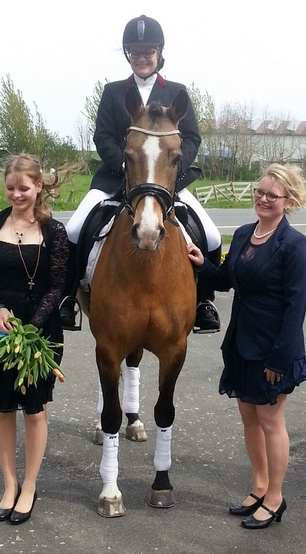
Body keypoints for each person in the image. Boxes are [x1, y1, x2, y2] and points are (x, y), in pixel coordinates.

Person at [60, 14, 222, 334]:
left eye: (148, 51)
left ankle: (204, 300)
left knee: (212, 235)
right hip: (117, 176)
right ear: (128, 54)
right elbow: (103, 136)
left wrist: (172, 170)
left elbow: (191, 137)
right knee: (73, 229)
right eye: (135, 52)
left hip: (165, 180)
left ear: (159, 53)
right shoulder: (113, 92)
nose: (142, 57)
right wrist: (124, 165)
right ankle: (68, 298)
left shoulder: (176, 91)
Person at [187, 163, 306, 530]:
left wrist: (279, 358)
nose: (263, 199)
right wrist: (202, 263)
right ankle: (259, 486)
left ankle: (275, 498)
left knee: (271, 421)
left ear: (288, 201)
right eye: (260, 192)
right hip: (241, 342)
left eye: (272, 195)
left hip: (273, 347)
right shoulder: (245, 234)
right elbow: (227, 280)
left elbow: (295, 308)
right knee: (249, 418)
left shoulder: (293, 245)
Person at [0, 153, 70, 525]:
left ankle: (30, 485)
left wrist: (31, 327)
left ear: (38, 186)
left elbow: (57, 286)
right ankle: (9, 484)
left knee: (34, 410)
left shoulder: (55, 232)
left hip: (39, 328)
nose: (17, 195)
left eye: (24, 188)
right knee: (2, 407)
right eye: (10, 188)